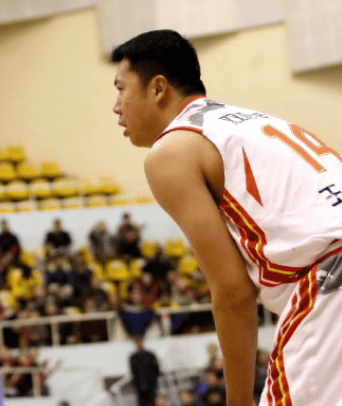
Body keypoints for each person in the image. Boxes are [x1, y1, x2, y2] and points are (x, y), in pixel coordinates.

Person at [111, 29, 342, 406]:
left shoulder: (172, 150)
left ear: (158, 88)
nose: (116, 107)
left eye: (121, 89)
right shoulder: (250, 121)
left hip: (331, 285)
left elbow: (233, 292)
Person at [129, 337, 160, 406]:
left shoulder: (150, 355)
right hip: (139, 384)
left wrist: (154, 379)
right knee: (142, 401)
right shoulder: (133, 357)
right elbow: (133, 371)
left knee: (152, 400)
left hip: (151, 383)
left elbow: (156, 368)